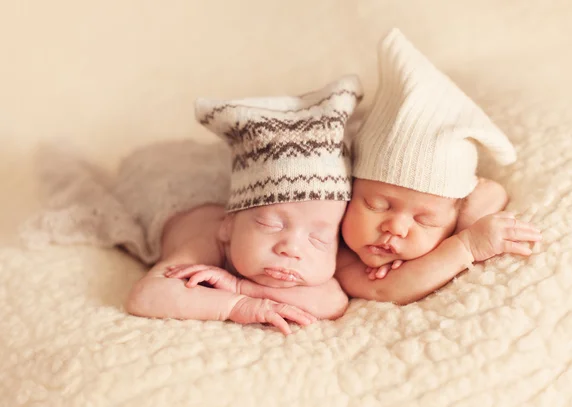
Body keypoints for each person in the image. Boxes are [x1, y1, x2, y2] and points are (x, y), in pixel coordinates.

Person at [126, 75, 364, 335]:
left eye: (319, 239)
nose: (292, 248)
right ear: (228, 227)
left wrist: (243, 288)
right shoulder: (207, 241)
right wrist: (237, 305)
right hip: (172, 195)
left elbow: (332, 302)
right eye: (270, 224)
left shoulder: (304, 255)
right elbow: (146, 295)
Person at [335, 28, 542, 303]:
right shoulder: (333, 248)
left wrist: (446, 239)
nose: (395, 227)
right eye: (376, 205)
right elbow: (383, 290)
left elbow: (491, 194)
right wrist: (465, 246)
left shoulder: (449, 215)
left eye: (425, 220)